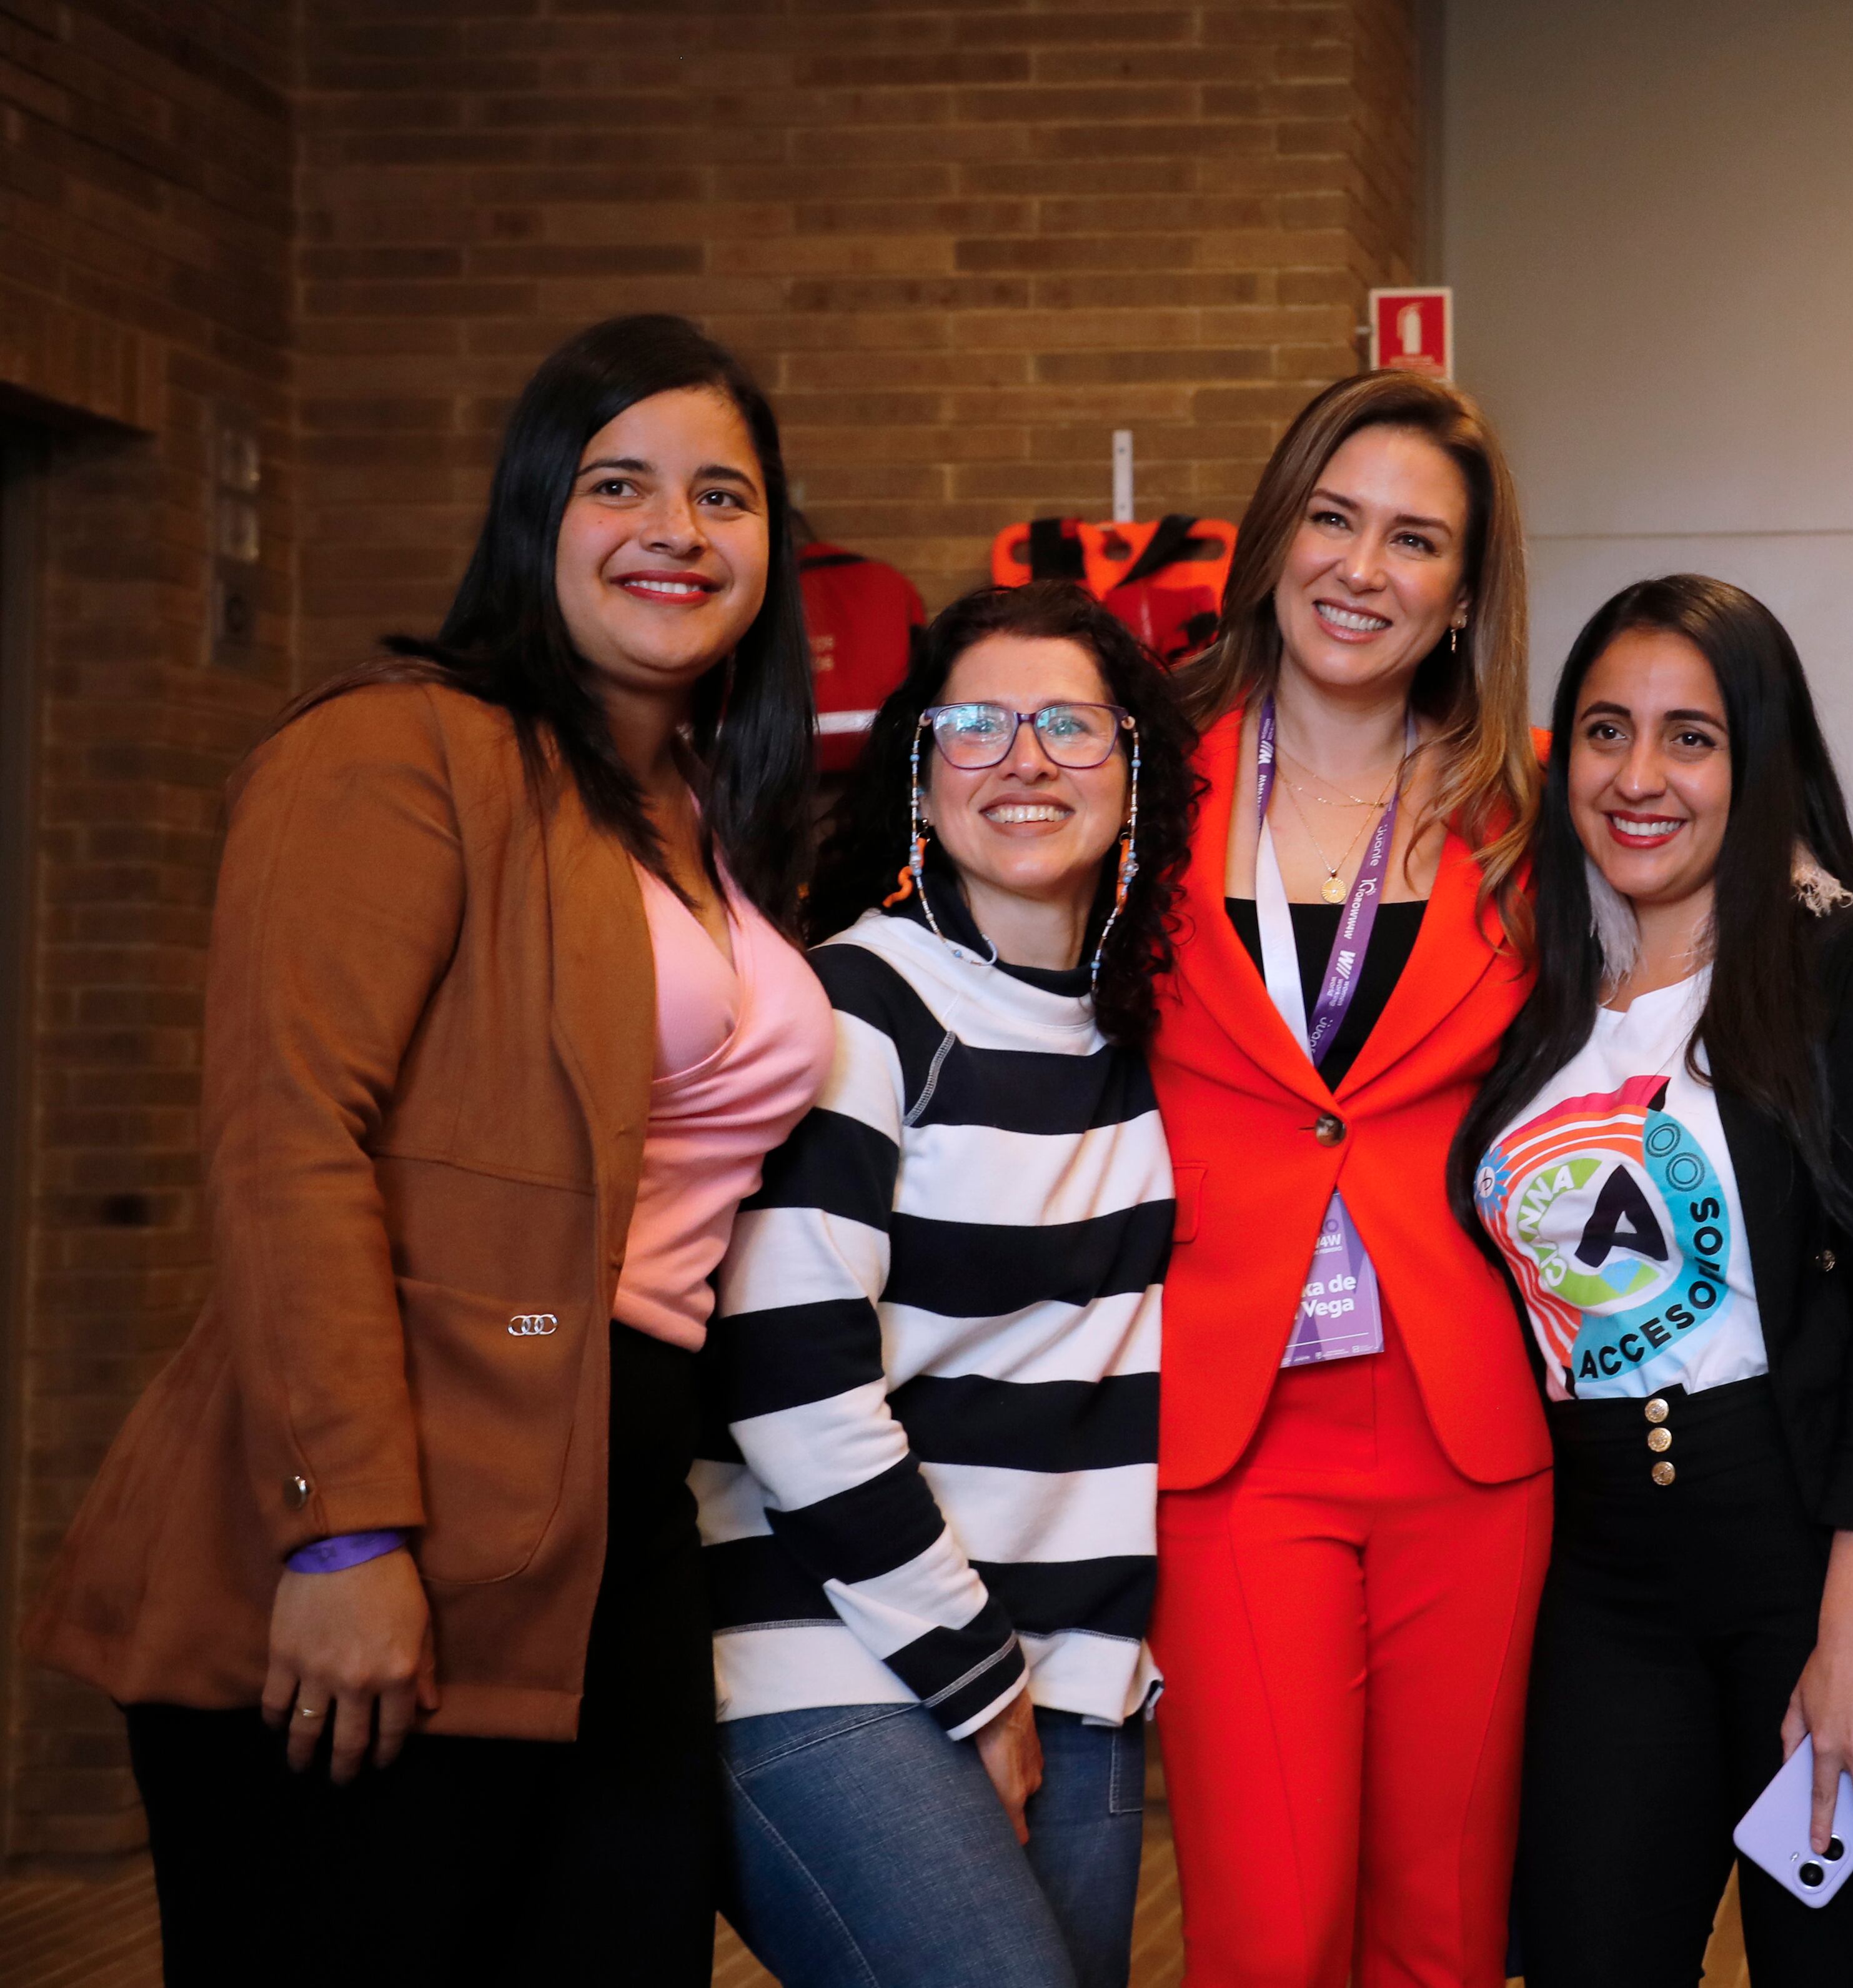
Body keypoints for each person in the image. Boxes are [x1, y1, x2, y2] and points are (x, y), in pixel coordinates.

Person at [25, 314, 828, 1985]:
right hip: (400, 1506)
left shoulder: (697, 808)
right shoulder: (399, 749)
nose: (676, 528)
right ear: (534, 514)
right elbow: (287, 1137)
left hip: (618, 1518)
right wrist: (344, 1528)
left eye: (723, 493)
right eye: (620, 482)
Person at [1456, 575, 1853, 1986]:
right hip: (1605, 1581)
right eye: (1604, 731)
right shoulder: (1526, 984)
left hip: (1824, 1558)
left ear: (1759, 758)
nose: (1638, 777)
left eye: (1690, 737)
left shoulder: (1843, 963)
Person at [697, 581, 1197, 1988]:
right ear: (919, 771)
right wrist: (972, 1672)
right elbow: (788, 1385)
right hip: (832, 1650)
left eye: (1070, 726)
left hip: (1077, 1664)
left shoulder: (1144, 1039)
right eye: (973, 724)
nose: (1023, 758)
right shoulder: (861, 1009)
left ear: (1137, 770)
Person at [1144, 369, 1550, 1987]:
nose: (1362, 568)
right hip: (1236, 1439)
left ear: (1462, 594)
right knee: (1271, 1922)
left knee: (1446, 1929)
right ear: (1274, 533)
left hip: (1468, 1434)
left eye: (1415, 540)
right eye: (1333, 517)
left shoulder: (1530, 803)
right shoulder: (1140, 777)